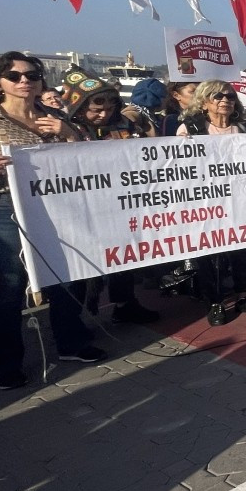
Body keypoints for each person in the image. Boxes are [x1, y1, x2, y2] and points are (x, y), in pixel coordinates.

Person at [0, 51, 104, 390]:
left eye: (31, 75)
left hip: (55, 207)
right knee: (10, 286)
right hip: (6, 208)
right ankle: (6, 364)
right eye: (14, 76)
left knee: (62, 275)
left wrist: (68, 132)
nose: (24, 81)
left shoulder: (56, 115)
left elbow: (86, 160)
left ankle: (71, 343)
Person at [61, 71, 161, 325]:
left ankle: (125, 304)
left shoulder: (124, 125)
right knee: (82, 265)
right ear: (80, 106)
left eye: (110, 107)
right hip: (82, 208)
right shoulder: (67, 128)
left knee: (125, 257)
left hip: (121, 205)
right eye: (96, 109)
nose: (104, 114)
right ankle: (74, 321)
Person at [176, 80, 246, 326]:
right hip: (205, 201)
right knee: (210, 254)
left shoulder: (243, 126)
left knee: (243, 248)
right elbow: (176, 164)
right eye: (218, 96)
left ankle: (244, 296)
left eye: (230, 97)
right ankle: (215, 302)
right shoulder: (191, 128)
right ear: (205, 100)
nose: (225, 101)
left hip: (240, 199)